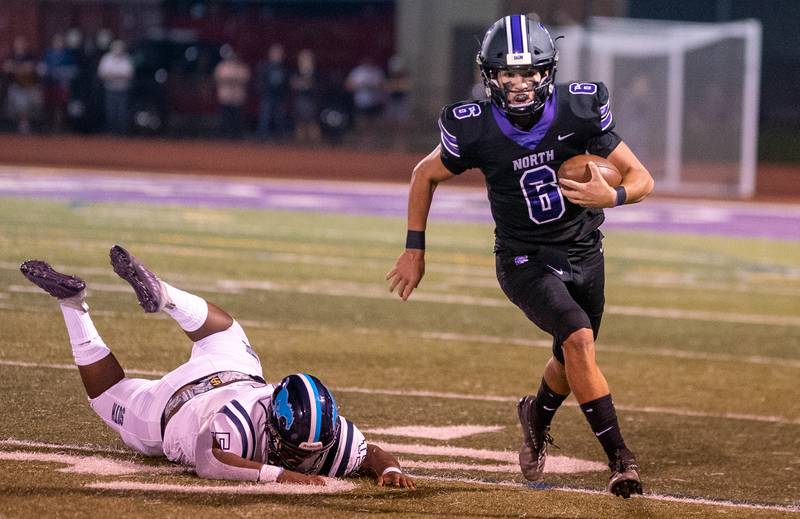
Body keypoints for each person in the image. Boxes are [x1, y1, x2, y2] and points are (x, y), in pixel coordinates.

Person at [386, 15, 654, 499]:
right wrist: (414, 250)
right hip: (522, 257)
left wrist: (611, 197)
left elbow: (640, 178)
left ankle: (536, 415)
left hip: (584, 250)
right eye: (508, 73)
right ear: (490, 75)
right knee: (577, 338)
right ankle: (621, 460)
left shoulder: (579, 110)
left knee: (571, 354)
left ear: (547, 72)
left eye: (529, 72)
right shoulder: (474, 128)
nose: (519, 83)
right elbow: (423, 174)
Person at [20, 245, 415, 488]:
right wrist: (280, 475)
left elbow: (370, 453)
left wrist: (390, 470)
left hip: (236, 370)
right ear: (272, 424)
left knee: (228, 329)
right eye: (294, 451)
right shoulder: (241, 424)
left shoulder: (329, 432)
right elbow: (209, 460)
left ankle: (167, 296)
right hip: (172, 408)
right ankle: (73, 304)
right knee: (108, 396)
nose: (303, 459)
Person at [96, 39, 133, 135]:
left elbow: (128, 75)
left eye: (120, 48)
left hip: (122, 90)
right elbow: (102, 74)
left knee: (122, 111)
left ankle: (121, 132)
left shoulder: (126, 59)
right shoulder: (107, 58)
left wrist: (113, 75)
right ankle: (111, 131)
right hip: (110, 89)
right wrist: (117, 76)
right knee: (110, 110)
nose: (118, 50)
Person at [214, 46, 251, 140]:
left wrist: (230, 80)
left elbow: (245, 79)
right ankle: (223, 135)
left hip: (237, 98)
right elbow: (218, 78)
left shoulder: (242, 67)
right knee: (224, 118)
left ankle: (236, 136)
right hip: (225, 97)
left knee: (237, 119)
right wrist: (233, 80)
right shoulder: (222, 66)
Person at [256, 43, 290, 141]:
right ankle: (262, 137)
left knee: (280, 118)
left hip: (280, 97)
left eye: (279, 53)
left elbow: (286, 83)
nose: (277, 55)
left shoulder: (284, 68)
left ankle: (280, 137)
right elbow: (260, 81)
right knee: (265, 117)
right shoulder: (264, 66)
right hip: (267, 96)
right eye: (275, 53)